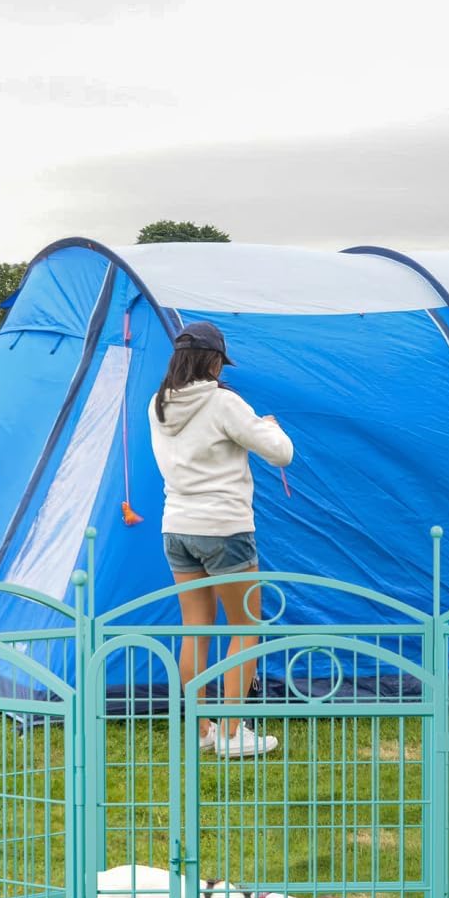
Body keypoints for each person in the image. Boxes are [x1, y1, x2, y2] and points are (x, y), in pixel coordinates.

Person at [148, 321, 294, 757]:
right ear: (213, 360)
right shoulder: (223, 403)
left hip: (176, 526)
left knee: (196, 628)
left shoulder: (157, 403)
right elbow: (281, 453)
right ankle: (232, 733)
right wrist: (267, 427)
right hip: (224, 529)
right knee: (245, 627)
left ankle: (202, 729)